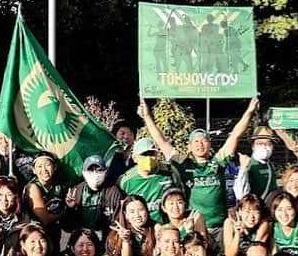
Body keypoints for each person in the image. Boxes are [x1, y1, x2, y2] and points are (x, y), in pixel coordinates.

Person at [140, 97, 259, 238]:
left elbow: (235, 136)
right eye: (195, 141)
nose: (200, 144)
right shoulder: (183, 163)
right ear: (189, 146)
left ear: (210, 145)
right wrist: (147, 116)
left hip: (219, 226)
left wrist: (250, 111)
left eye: (204, 141)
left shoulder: (218, 162)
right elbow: (162, 142)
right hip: (194, 225)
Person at [62, 154, 122, 241]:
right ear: (83, 173)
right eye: (90, 170)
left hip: (106, 239)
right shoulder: (76, 191)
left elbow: (117, 223)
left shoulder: (113, 192)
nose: (95, 174)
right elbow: (67, 227)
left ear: (106, 172)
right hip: (82, 239)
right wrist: (70, 208)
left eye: (99, 170)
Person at [118, 137, 176, 216]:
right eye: (144, 154)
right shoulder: (126, 181)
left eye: (151, 154)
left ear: (157, 154)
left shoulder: (170, 172)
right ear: (135, 158)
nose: (148, 158)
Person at [23, 151, 67, 243]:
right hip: (36, 233)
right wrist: (63, 214)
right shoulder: (33, 187)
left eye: (47, 165)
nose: (44, 169)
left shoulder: (59, 185)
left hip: (54, 232)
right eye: (39, 166)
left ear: (54, 167)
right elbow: (44, 219)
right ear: (34, 170)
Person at [233, 126, 278, 203]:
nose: (264, 147)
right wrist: (243, 169)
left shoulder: (270, 165)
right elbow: (240, 195)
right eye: (260, 143)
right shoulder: (248, 165)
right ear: (252, 146)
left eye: (268, 143)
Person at [105, 118, 139, 188]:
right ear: (115, 136)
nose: (126, 137)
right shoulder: (108, 160)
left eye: (130, 134)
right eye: (122, 133)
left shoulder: (136, 161)